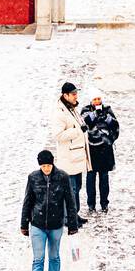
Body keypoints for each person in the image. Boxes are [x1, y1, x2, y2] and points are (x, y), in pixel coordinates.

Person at [20, 149, 78, 271]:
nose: (46, 168)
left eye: (48, 165)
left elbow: (70, 202)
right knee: (38, 259)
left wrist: (73, 225)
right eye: (43, 166)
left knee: (54, 257)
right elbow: (27, 202)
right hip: (37, 225)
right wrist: (24, 224)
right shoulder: (33, 178)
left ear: (53, 164)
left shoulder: (63, 177)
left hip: (56, 225)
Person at [49, 82, 91, 225]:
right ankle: (69, 219)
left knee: (76, 188)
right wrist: (77, 130)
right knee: (71, 190)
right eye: (73, 94)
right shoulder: (59, 113)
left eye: (76, 93)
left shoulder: (72, 108)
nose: (75, 96)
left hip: (77, 157)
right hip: (69, 158)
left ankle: (75, 215)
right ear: (65, 95)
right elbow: (57, 135)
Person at [81, 93, 119, 214]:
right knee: (91, 177)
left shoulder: (107, 109)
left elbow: (115, 125)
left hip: (105, 149)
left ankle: (104, 203)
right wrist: (95, 115)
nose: (97, 101)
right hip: (91, 149)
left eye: (99, 99)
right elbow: (83, 124)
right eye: (95, 99)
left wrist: (106, 118)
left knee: (104, 177)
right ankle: (91, 204)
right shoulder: (86, 110)